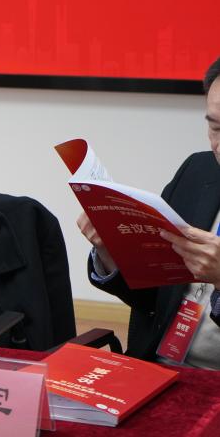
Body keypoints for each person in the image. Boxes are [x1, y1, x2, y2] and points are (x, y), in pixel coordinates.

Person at [79, 56, 220, 368]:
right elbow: (153, 299)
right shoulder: (198, 172)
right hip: (156, 366)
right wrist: (113, 251)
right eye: (215, 127)